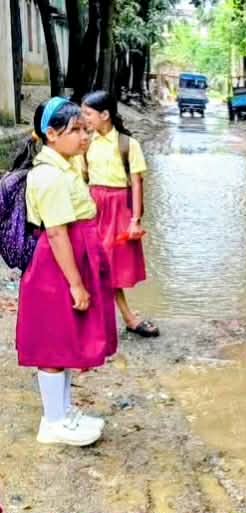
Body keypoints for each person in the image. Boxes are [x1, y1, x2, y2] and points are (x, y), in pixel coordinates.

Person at [14, 97, 117, 446]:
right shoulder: (49, 176)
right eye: (75, 131)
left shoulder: (63, 166)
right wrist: (76, 284)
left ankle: (64, 411)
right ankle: (53, 421)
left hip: (67, 258)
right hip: (56, 267)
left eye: (85, 129)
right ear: (52, 135)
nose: (83, 137)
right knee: (53, 346)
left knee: (65, 342)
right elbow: (57, 232)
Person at [79, 91, 160, 338]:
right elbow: (82, 179)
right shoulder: (86, 142)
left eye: (88, 114)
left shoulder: (128, 144)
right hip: (92, 208)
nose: (84, 118)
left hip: (118, 211)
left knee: (109, 267)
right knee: (94, 265)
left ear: (105, 115)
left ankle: (121, 318)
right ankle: (126, 318)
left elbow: (136, 184)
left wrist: (135, 220)